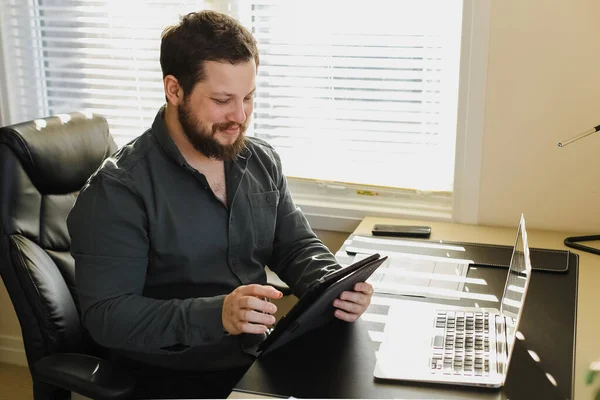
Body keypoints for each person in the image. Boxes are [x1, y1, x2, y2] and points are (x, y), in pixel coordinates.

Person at [67, 10, 374, 399]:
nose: (240, 117)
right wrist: (219, 315)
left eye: (248, 98)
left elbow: (294, 244)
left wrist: (332, 286)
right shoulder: (118, 191)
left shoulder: (260, 159)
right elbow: (107, 317)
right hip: (171, 376)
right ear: (174, 90)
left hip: (257, 357)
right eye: (222, 100)